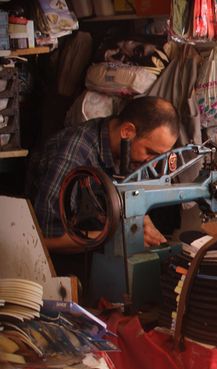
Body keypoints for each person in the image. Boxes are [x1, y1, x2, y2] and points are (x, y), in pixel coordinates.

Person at [30, 96, 179, 254]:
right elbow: (44, 237)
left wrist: (143, 221)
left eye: (160, 157)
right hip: (55, 260)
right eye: (150, 153)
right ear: (127, 132)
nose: (153, 164)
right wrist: (120, 237)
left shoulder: (136, 156)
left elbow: (130, 202)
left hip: (98, 246)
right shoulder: (75, 152)